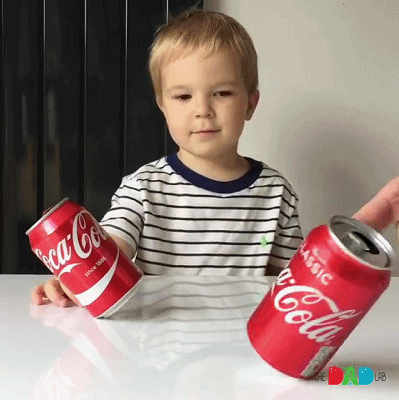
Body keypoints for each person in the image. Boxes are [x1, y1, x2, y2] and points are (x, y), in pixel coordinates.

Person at [31, 9, 399, 309]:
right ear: (162, 106)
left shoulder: (276, 192)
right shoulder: (142, 187)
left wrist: (368, 221)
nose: (203, 110)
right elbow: (108, 252)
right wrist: (74, 279)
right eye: (183, 97)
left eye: (221, 93)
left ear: (250, 104)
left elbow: (296, 282)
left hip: (243, 347)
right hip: (156, 351)